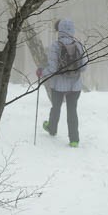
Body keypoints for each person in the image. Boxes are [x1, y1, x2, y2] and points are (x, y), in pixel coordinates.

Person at [38, 18, 87, 147]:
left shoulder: (55, 46)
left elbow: (52, 69)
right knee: (72, 111)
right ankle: (74, 140)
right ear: (73, 30)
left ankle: (52, 128)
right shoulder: (79, 45)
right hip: (75, 86)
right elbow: (84, 67)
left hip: (57, 85)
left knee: (56, 107)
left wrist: (42, 72)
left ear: (59, 30)